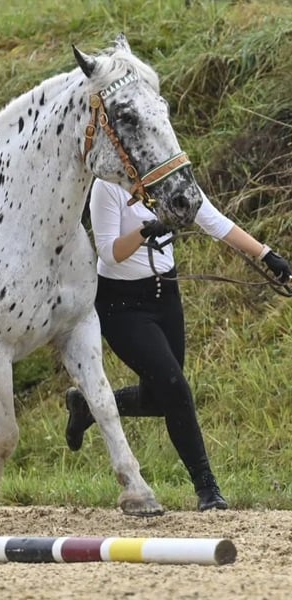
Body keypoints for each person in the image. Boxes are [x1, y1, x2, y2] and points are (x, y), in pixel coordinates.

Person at [65, 178, 292, 511]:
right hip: (122, 307)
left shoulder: (169, 178)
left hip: (165, 298)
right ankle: (207, 488)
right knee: (176, 389)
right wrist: (148, 229)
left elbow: (212, 219)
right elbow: (110, 254)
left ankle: (86, 407)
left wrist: (267, 255)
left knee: (160, 399)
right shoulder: (106, 186)